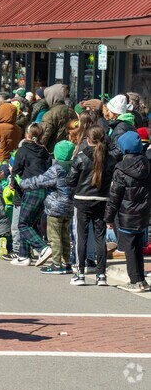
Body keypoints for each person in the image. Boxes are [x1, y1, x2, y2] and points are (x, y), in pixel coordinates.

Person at [66, 126, 116, 286]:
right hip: (102, 200)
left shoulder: (81, 157)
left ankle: (80, 273)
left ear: (88, 139)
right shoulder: (110, 158)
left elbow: (71, 180)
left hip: (82, 199)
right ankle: (101, 275)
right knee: (100, 237)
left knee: (81, 237)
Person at [104, 131, 151, 292]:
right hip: (143, 213)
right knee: (137, 247)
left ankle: (135, 281)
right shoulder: (147, 164)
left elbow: (114, 196)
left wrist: (108, 218)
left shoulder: (121, 169)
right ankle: (141, 279)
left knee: (130, 249)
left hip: (126, 214)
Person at [20, 140, 76, 275]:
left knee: (54, 236)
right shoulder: (74, 167)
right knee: (65, 236)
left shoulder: (56, 169)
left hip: (55, 207)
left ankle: (56, 264)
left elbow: (40, 181)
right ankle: (66, 263)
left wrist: (23, 183)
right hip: (69, 207)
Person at [9, 123, 52, 265]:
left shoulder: (23, 150)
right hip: (44, 189)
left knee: (22, 223)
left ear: (27, 134)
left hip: (30, 189)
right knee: (30, 222)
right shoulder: (45, 152)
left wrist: (14, 184)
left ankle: (43, 248)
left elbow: (16, 170)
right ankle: (24, 255)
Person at [40, 84, 77, 153]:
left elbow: (43, 138)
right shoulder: (71, 111)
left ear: (51, 97)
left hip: (53, 153)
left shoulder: (49, 114)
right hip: (69, 151)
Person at [105, 94, 136, 161]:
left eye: (109, 110)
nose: (107, 112)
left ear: (115, 112)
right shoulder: (126, 123)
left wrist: (106, 158)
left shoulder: (120, 127)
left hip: (117, 164)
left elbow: (118, 150)